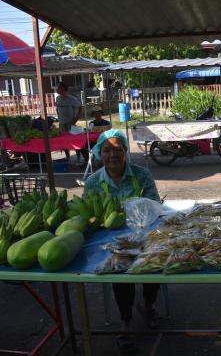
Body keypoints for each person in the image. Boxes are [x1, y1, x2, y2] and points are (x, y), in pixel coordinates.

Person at [83, 129, 162, 351]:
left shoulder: (141, 175)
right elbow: (87, 214)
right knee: (119, 269)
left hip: (144, 233)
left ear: (126, 151)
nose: (112, 155)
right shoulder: (93, 182)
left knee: (153, 263)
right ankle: (125, 321)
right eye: (106, 150)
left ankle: (147, 306)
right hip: (109, 241)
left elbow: (155, 203)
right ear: (99, 153)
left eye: (118, 149)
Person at [55, 82, 84, 163]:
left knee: (73, 141)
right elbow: (57, 108)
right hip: (62, 124)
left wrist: (76, 119)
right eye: (57, 88)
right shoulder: (57, 98)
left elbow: (80, 107)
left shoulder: (71, 98)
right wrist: (59, 117)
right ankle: (68, 158)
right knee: (64, 142)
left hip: (70, 124)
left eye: (59, 88)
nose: (57, 89)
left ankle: (78, 158)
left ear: (63, 89)